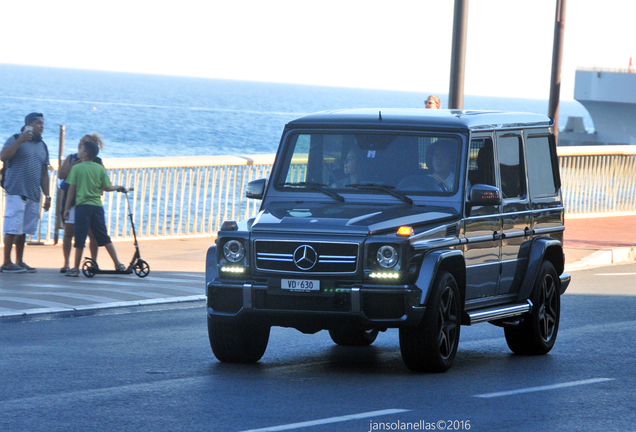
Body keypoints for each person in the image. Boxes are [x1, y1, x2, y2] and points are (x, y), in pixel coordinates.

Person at [63, 140, 126, 277]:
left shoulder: (76, 168)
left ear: (85, 154)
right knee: (103, 235)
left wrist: (67, 209)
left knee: (79, 238)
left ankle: (75, 268)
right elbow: (106, 187)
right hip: (97, 206)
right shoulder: (99, 168)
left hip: (82, 207)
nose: (78, 151)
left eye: (81, 149)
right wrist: (118, 187)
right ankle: (118, 263)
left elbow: (71, 190)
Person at [1, 112, 51, 273]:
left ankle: (20, 261)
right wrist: (21, 140)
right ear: (28, 124)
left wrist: (48, 195)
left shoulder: (42, 146)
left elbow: (44, 173)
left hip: (33, 193)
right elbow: (3, 156)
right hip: (16, 190)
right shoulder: (15, 138)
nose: (41, 126)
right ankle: (7, 263)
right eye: (38, 123)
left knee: (23, 230)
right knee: (12, 227)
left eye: (42, 123)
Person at [58, 133, 105, 273]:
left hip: (87, 201)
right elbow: (61, 175)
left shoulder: (97, 161)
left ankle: (94, 261)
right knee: (68, 232)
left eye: (84, 143)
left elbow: (103, 181)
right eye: (80, 141)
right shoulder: (71, 158)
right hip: (71, 201)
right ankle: (66, 262)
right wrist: (75, 164)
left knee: (92, 233)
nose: (80, 144)